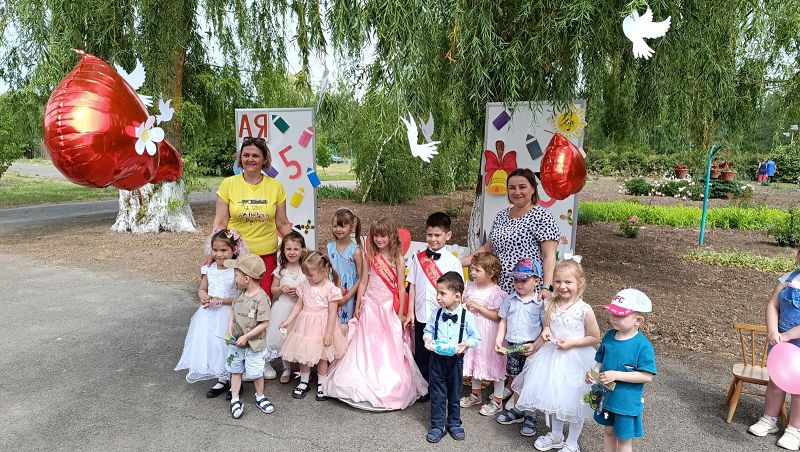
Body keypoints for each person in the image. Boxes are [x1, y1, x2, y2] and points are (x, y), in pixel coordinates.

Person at [323, 218, 427, 411]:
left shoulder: (398, 259)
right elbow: (363, 282)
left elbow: (401, 288)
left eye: (383, 236)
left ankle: (387, 381)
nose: (379, 239)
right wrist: (358, 304)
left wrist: (401, 312)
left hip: (388, 307)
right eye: (376, 236)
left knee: (388, 343)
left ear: (391, 236)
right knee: (365, 342)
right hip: (370, 304)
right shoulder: (369, 256)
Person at [213, 137, 292, 380]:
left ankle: (261, 359)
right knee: (238, 307)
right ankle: (236, 357)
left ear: (264, 159)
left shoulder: (275, 187)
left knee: (261, 308)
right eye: (246, 155)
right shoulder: (228, 185)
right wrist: (211, 253)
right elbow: (220, 223)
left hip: (265, 258)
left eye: (255, 155)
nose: (250, 159)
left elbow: (282, 223)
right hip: (237, 258)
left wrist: (299, 246)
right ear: (240, 158)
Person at [513, 258, 601, 452]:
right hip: (552, 358)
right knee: (553, 397)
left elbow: (595, 337)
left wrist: (571, 343)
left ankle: (572, 442)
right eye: (558, 281)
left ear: (580, 282)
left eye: (568, 282)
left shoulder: (584, 309)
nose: (562, 286)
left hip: (576, 360)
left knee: (575, 401)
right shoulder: (550, 303)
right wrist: (545, 331)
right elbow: (547, 326)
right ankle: (556, 434)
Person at [461, 168, 560, 298]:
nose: (517, 192)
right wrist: (459, 262)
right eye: (512, 188)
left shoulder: (542, 216)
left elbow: (549, 257)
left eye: (522, 187)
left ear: (533, 189)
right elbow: (487, 248)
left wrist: (547, 287)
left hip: (526, 292)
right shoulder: (501, 216)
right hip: (497, 289)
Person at [175, 230, 245, 398]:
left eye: (224, 250)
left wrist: (221, 301)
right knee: (215, 346)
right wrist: (204, 296)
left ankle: (235, 381)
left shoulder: (236, 271)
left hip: (228, 315)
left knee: (228, 347)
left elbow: (240, 297)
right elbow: (202, 288)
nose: (219, 254)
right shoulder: (209, 269)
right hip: (209, 315)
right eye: (215, 250)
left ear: (234, 250)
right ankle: (222, 378)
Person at [587, 289, 656, 452]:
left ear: (638, 320)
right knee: (609, 431)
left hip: (626, 403)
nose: (613, 318)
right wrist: (593, 373)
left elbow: (647, 376)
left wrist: (616, 375)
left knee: (624, 438)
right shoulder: (609, 335)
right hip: (607, 397)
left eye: (620, 315)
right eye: (612, 313)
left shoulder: (643, 346)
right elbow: (601, 358)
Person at [748, 248, 800, 450]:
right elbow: (773, 305)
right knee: (776, 382)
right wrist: (772, 330)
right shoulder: (788, 279)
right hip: (781, 343)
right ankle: (769, 419)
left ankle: (794, 429)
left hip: (792, 341)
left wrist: (786, 335)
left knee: (799, 389)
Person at [407, 212, 464, 388]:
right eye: (429, 235)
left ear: (448, 235)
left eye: (437, 235)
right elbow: (412, 285)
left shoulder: (453, 262)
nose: (433, 239)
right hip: (420, 314)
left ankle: (440, 388)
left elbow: (458, 293)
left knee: (440, 354)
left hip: (442, 317)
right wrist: (410, 312)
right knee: (421, 352)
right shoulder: (418, 258)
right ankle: (423, 388)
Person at [280, 251, 347, 401]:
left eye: (311, 275)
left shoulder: (330, 289)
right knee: (304, 355)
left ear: (324, 270)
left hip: (323, 327)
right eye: (306, 275)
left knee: (323, 357)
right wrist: (288, 320)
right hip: (305, 325)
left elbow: (332, 313)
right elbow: (299, 305)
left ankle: (322, 383)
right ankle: (304, 381)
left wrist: (329, 334)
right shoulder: (305, 285)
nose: (308, 278)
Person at [423, 272, 481, 443]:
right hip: (436, 359)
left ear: (457, 296)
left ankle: (454, 423)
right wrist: (427, 340)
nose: (438, 297)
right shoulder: (435, 314)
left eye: (442, 293)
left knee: (454, 394)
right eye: (437, 292)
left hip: (456, 360)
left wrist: (466, 344)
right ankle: (437, 425)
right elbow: (428, 331)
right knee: (437, 393)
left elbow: (476, 338)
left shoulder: (467, 316)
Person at [495, 258, 546, 437]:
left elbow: (546, 328)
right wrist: (499, 340)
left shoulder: (541, 303)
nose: (519, 283)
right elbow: (503, 321)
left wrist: (536, 345)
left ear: (536, 281)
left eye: (524, 280)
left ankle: (530, 415)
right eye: (516, 280)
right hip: (513, 347)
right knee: (516, 380)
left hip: (532, 348)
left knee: (530, 383)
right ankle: (518, 409)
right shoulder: (509, 300)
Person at [223, 254, 274, 419]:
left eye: (236, 275)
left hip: (254, 345)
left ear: (246, 279)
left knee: (256, 372)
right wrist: (229, 329)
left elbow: (264, 323)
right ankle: (235, 398)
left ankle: (260, 396)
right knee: (235, 370)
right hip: (236, 342)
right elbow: (233, 312)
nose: (234, 278)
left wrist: (247, 337)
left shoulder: (261, 299)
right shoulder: (239, 293)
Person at [458, 251, 509, 416]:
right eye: (472, 269)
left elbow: (498, 316)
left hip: (490, 333)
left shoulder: (496, 292)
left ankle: (497, 400)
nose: (473, 273)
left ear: (491, 273)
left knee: (494, 363)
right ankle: (475, 394)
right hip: (473, 331)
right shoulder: (470, 286)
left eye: (477, 270)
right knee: (475, 360)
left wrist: (479, 308)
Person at [267, 231, 307, 384]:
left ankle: (303, 369)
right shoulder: (280, 270)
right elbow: (273, 290)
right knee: (283, 339)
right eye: (288, 249)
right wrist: (281, 289)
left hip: (300, 309)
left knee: (300, 339)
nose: (292, 252)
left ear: (302, 250)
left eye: (296, 249)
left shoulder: (306, 268)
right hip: (282, 308)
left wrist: (300, 291)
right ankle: (286, 368)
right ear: (283, 250)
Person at [326, 207, 363, 324]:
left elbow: (361, 278)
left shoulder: (355, 251)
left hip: (349, 293)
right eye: (335, 226)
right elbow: (326, 272)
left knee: (346, 325)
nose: (338, 229)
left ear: (351, 227)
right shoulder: (330, 248)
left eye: (342, 226)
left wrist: (347, 297)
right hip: (332, 291)